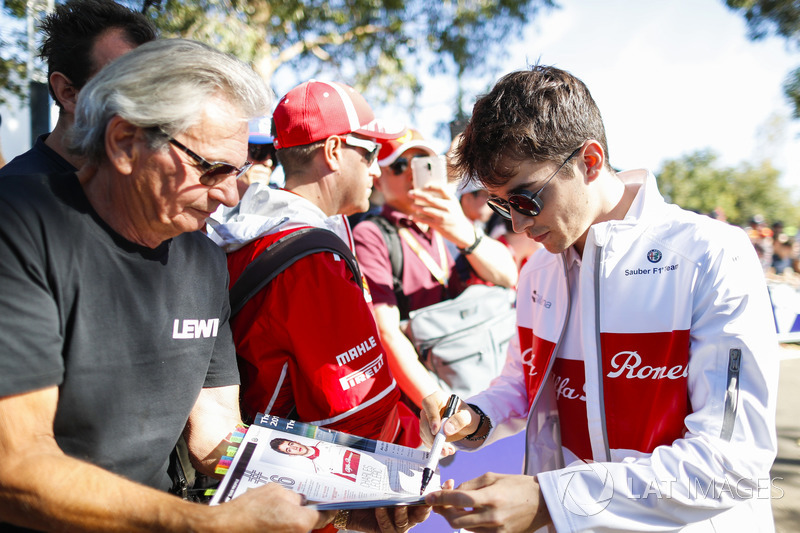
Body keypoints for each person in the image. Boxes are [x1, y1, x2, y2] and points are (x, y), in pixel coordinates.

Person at [421, 65, 779, 532]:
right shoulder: (538, 270)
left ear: (590, 161)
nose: (518, 226)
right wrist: (473, 416)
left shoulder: (711, 255)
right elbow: (520, 382)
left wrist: (553, 498)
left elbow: (732, 463)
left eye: (527, 199)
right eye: (501, 206)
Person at [209, 80, 422, 450]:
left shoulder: (253, 227)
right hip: (314, 482)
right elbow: (360, 418)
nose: (376, 171)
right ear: (334, 150)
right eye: (370, 153)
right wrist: (421, 445)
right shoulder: (312, 259)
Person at [353, 129, 518, 409]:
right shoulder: (371, 234)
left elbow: (509, 275)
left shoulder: (454, 221)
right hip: (428, 401)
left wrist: (463, 232)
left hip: (488, 383)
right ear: (377, 179)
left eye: (422, 162)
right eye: (399, 165)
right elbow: (386, 333)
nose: (411, 173)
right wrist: (442, 407)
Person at [0, 0, 155, 178]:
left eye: (152, 83)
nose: (147, 100)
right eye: (126, 82)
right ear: (68, 93)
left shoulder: (140, 182)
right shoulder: (14, 195)